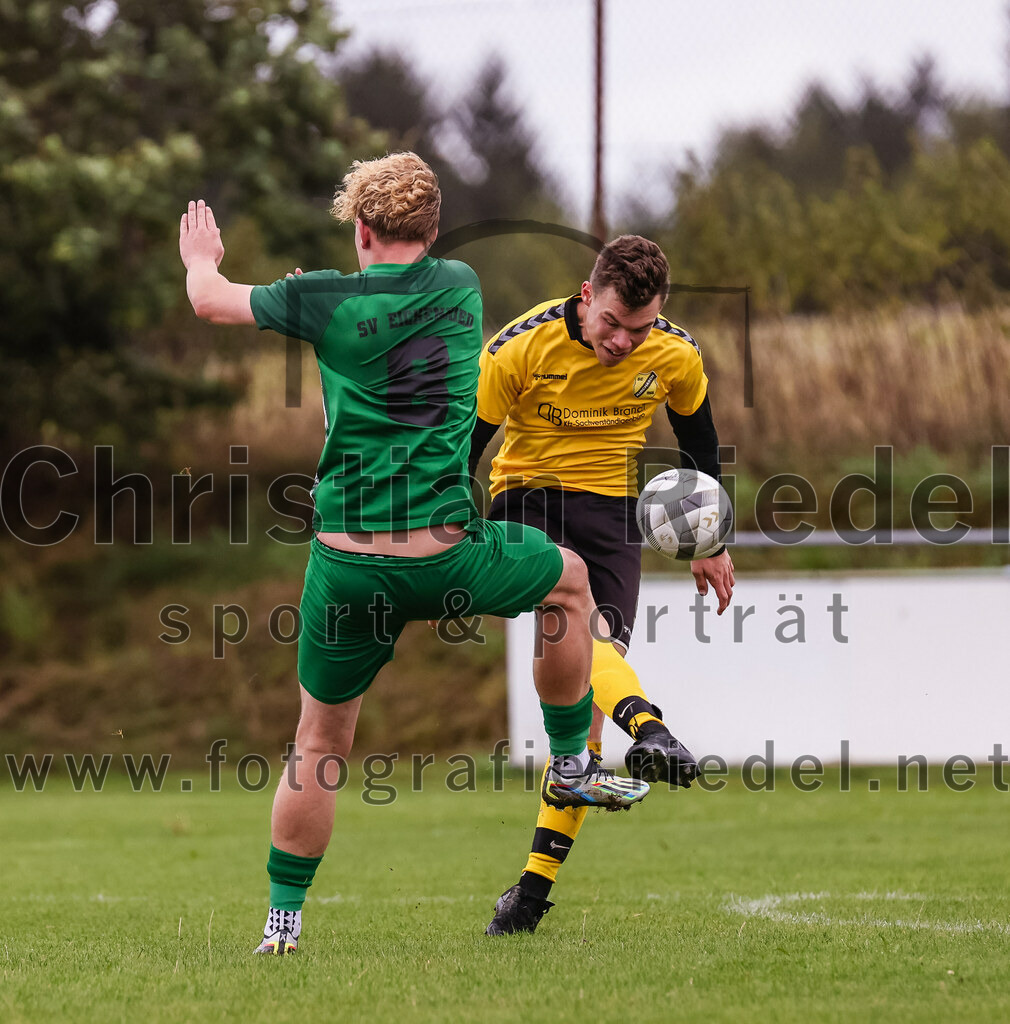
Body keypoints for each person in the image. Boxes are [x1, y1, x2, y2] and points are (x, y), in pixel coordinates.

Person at [177, 153, 651, 955]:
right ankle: (571, 758)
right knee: (570, 583)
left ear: (361, 230)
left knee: (318, 745)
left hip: (348, 566)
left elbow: (209, 301)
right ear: (431, 231)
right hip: (445, 559)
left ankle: (283, 924)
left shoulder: (323, 299)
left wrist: (203, 259)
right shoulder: (460, 286)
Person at [470, 234, 735, 935]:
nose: (622, 341)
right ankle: (650, 727)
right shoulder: (517, 348)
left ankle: (529, 897)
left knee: (585, 706)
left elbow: (700, 445)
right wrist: (440, 534)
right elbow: (464, 448)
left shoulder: (675, 353)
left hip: (614, 514)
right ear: (587, 295)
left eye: (638, 329)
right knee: (580, 628)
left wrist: (710, 541)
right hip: (527, 500)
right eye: (611, 322)